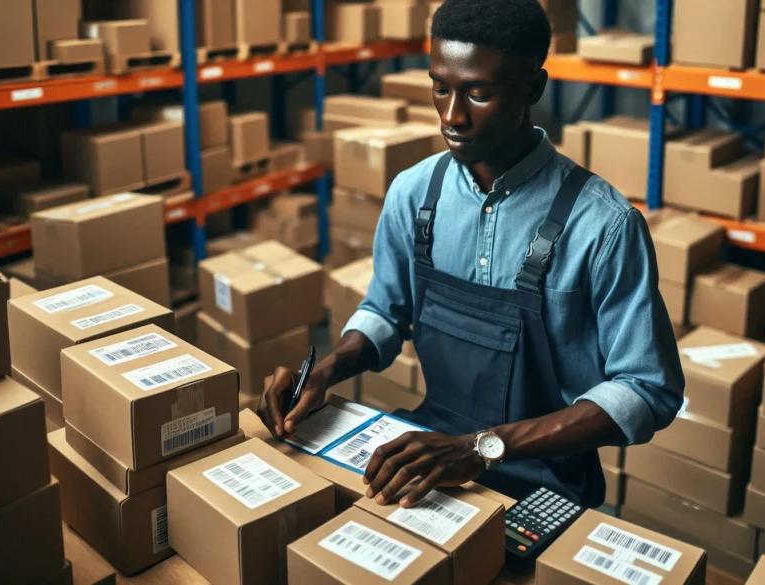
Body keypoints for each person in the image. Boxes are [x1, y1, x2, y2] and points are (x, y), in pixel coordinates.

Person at [259, 0, 684, 509]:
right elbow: (384, 312)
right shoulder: (414, 194)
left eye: (478, 94)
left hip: (545, 482)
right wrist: (325, 371)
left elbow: (647, 389)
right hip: (430, 459)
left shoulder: (604, 225)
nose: (452, 115)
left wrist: (482, 449)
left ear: (533, 89)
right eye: (441, 87)